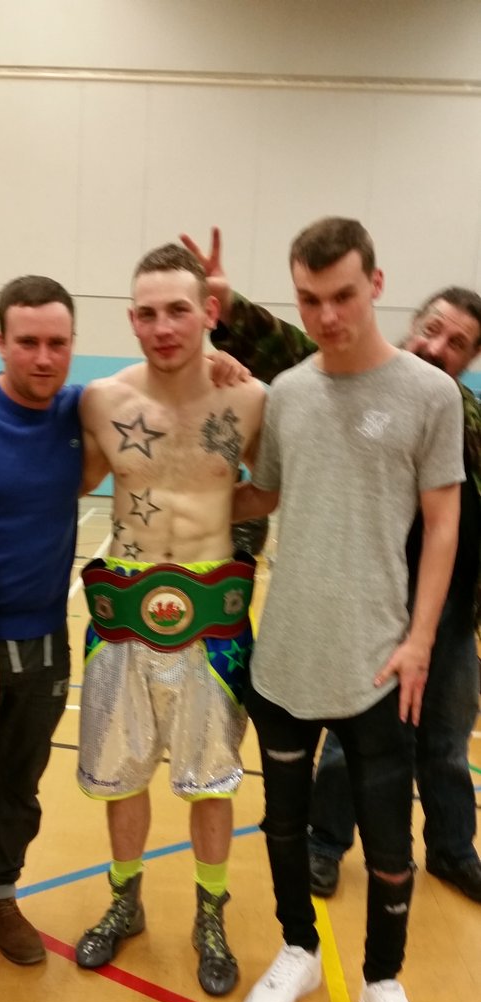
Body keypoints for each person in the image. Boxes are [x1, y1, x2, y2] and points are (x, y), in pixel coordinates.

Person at [0, 274, 248, 1002]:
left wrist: (221, 360)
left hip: (42, 643)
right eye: (26, 341)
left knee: (18, 793)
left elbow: (177, 409)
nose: (42, 356)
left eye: (57, 343)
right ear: (0, 341)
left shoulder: (80, 408)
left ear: (72, 347)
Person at [224, 217, 463, 1002]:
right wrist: (185, 463)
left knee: (389, 845)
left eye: (343, 296)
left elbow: (442, 523)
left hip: (377, 663)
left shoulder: (427, 395)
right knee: (283, 826)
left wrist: (421, 639)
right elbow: (261, 496)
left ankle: (381, 982)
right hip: (284, 657)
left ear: (375, 284)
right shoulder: (286, 391)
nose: (326, 315)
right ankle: (294, 947)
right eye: (310, 299)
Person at [181, 228, 481, 904]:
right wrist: (228, 309)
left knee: (443, 743)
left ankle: (454, 851)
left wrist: (432, 631)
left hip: (452, 608)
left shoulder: (450, 407)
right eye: (432, 328)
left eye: (456, 341)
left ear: (470, 357)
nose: (436, 344)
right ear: (407, 314)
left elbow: (450, 520)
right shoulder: (325, 376)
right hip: (369, 606)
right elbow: (293, 352)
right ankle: (323, 846)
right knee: (352, 745)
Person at [74, 243, 266, 996]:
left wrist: (221, 504)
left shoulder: (249, 401)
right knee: (122, 774)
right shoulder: (99, 400)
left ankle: (209, 914)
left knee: (211, 781)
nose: (163, 326)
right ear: (130, 319)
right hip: (122, 613)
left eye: (178, 309)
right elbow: (65, 472)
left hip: (210, 622)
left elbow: (272, 490)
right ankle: (124, 900)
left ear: (208, 311)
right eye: (147, 313)